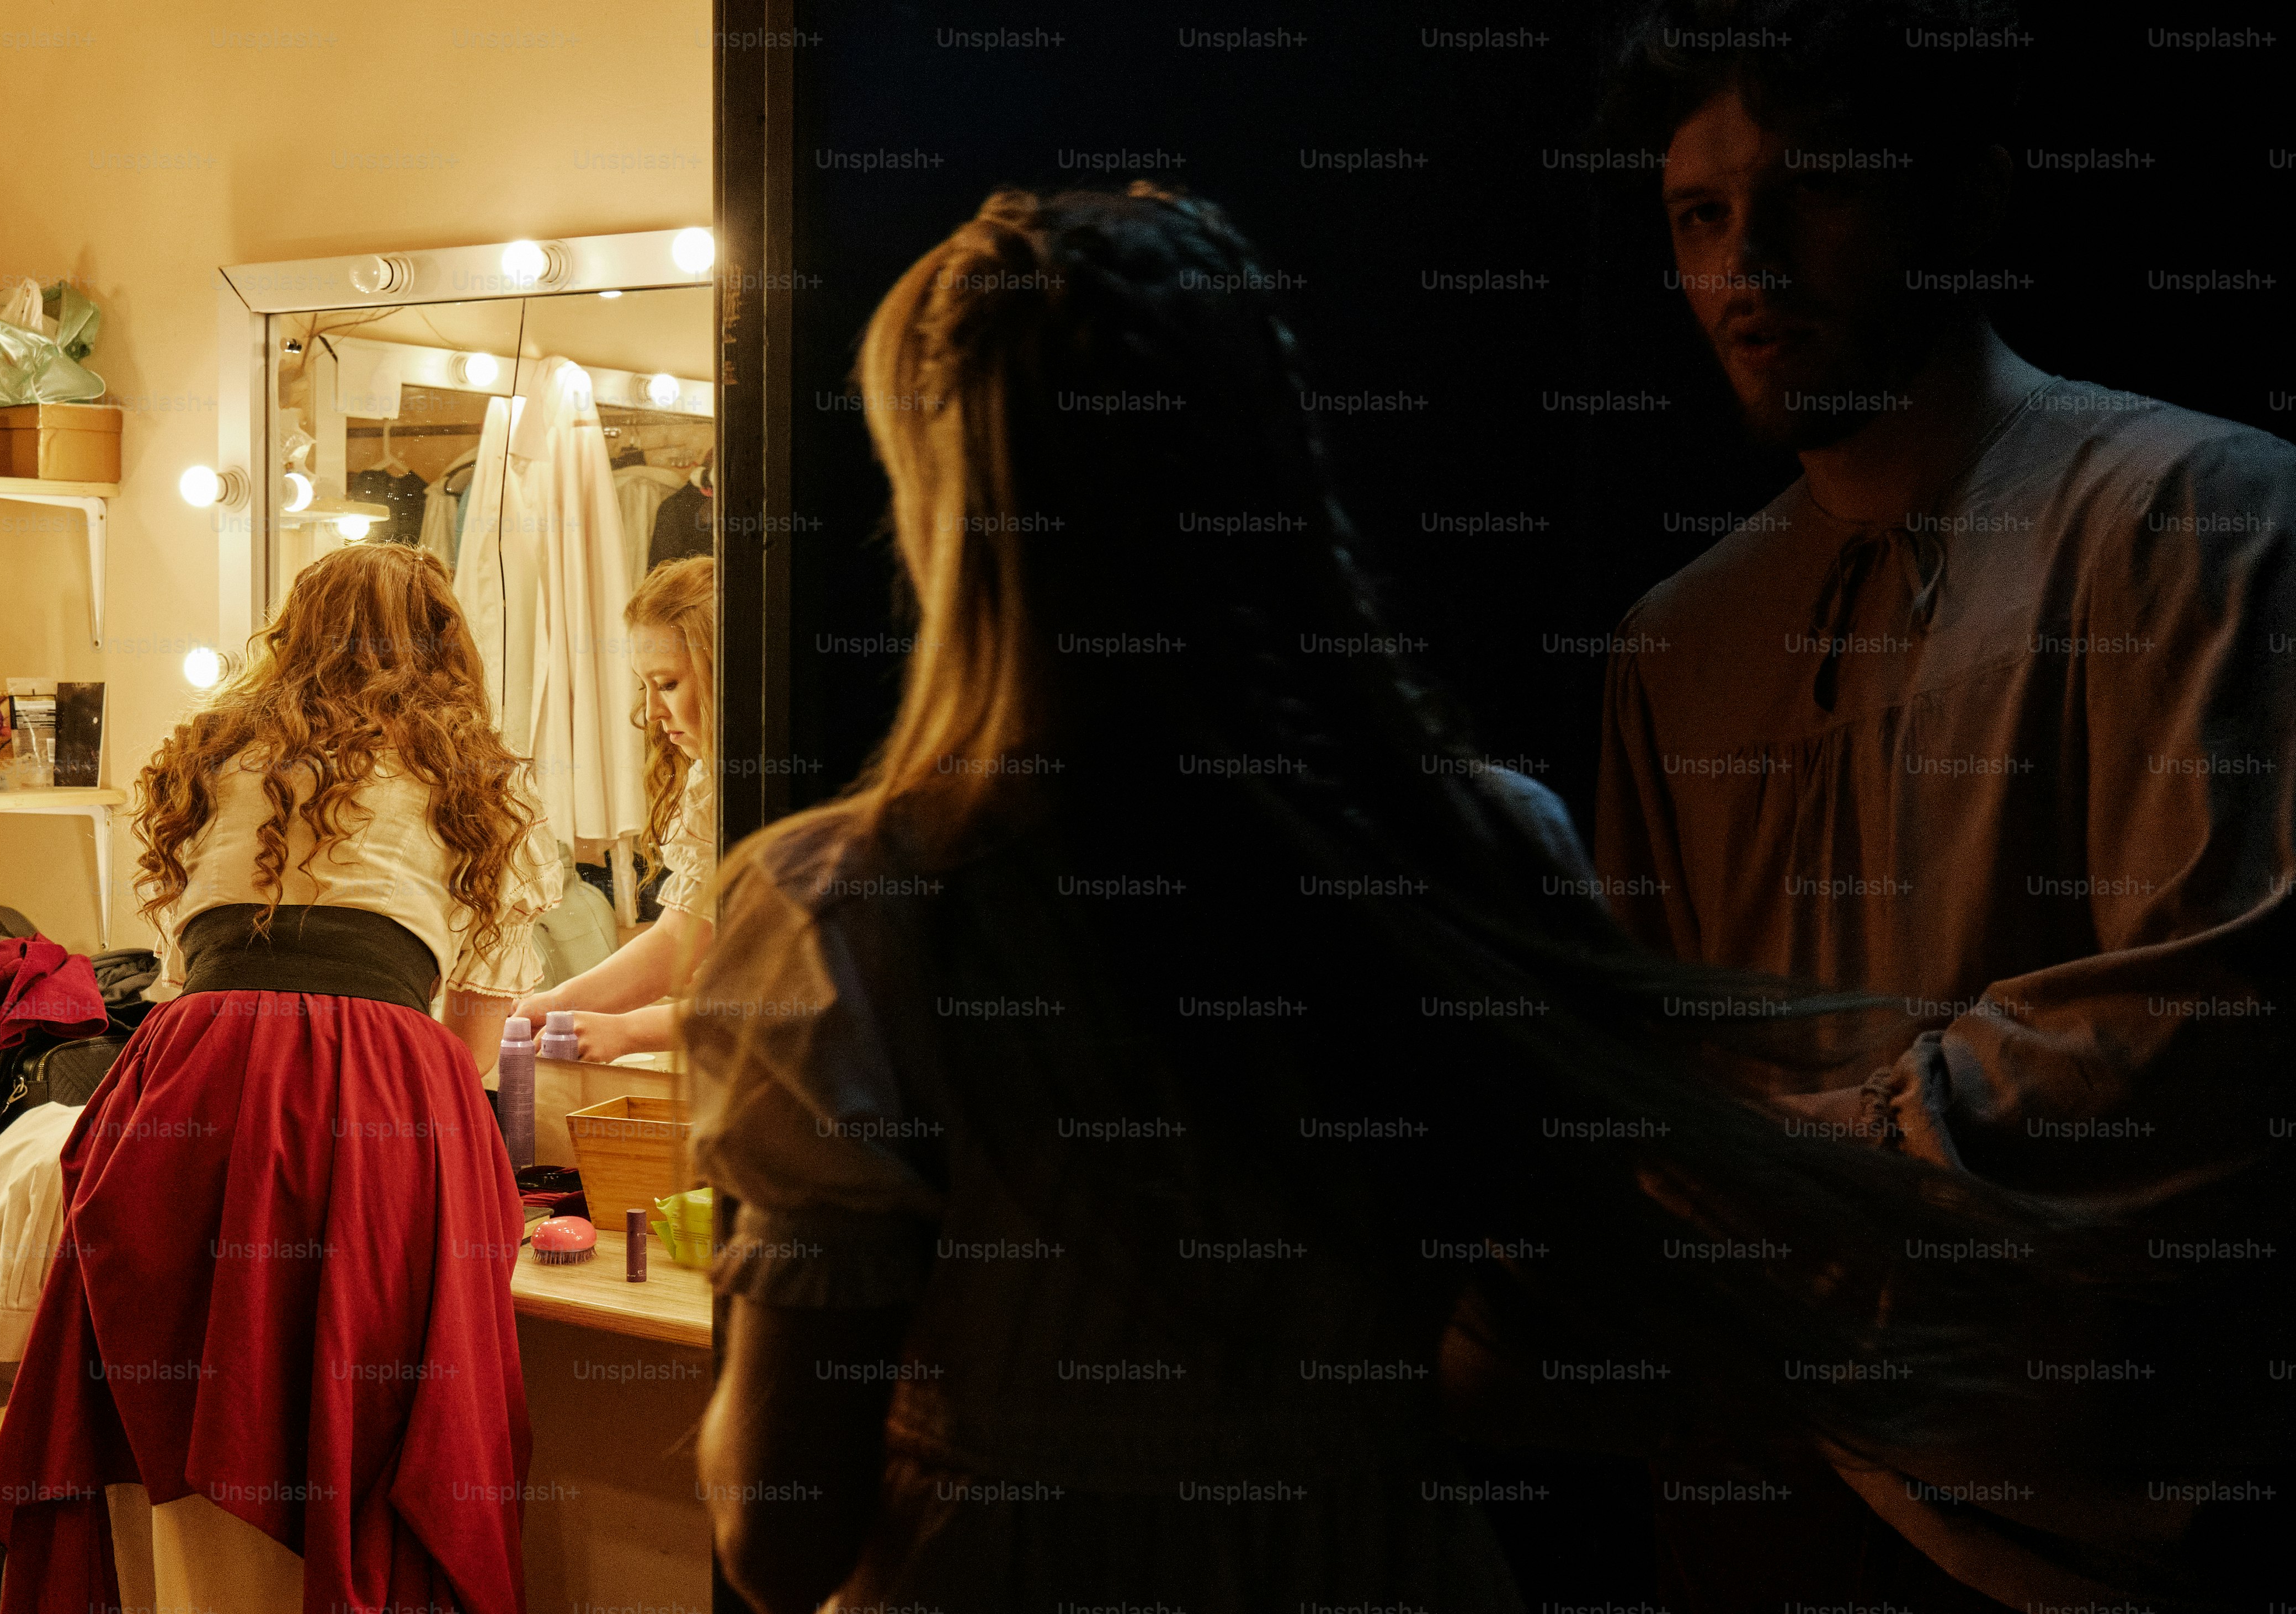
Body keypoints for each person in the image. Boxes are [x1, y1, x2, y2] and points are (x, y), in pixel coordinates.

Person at [682, 183, 2132, 1614]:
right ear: (1272, 474)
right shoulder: (1485, 846)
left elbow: (777, 1531)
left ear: (952, 509)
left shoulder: (848, 913)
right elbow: (1550, 1357)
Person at [1592, 3, 2296, 1609]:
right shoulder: (1674, 642)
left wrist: (1781, 1175)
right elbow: (1638, 1077)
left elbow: (2212, 1013)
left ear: (1961, 199)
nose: (1744, 264)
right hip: (1752, 1490)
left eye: (1809, 188)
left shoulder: (2189, 516)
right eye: (1696, 217)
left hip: (2081, 1532)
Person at [0, 542, 562, 1614]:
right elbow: (476, 1046)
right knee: (356, 1405)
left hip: (188, 1075)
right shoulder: (469, 781)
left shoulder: (213, 753)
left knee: (177, 1387)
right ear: (445, 654)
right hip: (382, 1094)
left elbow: (188, 966)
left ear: (288, 638)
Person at [512, 554, 718, 1059]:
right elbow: (678, 940)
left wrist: (630, 1032)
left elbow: (791, 999)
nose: (651, 712)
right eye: (644, 686)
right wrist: (553, 1004)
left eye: (668, 683)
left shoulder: (764, 790)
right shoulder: (711, 783)